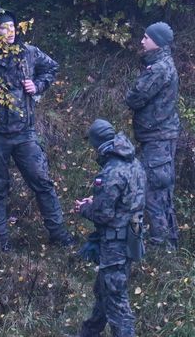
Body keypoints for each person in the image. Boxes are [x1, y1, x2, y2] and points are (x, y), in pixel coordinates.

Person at [0, 8, 75, 252]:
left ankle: (58, 232)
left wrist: (37, 85)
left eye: (13, 28)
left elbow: (51, 68)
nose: (9, 33)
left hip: (24, 133)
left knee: (42, 181)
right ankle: (0, 239)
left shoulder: (28, 53)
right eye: (3, 28)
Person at [75, 119, 146, 337]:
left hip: (115, 242)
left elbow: (103, 214)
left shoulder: (111, 171)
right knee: (104, 290)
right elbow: (129, 199)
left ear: (97, 142)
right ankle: (89, 333)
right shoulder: (134, 163)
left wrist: (85, 208)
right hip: (132, 236)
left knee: (115, 299)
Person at [124, 22, 180, 249]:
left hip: (158, 138)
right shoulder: (162, 65)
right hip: (159, 137)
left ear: (157, 41)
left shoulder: (159, 69)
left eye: (146, 37)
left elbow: (134, 97)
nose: (142, 41)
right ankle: (169, 243)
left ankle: (161, 245)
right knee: (163, 192)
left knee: (154, 192)